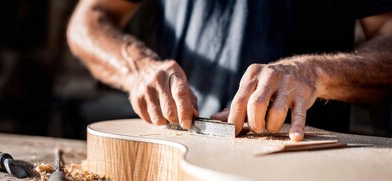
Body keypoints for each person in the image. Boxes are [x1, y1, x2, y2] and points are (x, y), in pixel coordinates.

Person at [67, 0, 392, 141]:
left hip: (305, 167)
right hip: (181, 148)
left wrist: (314, 73)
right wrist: (138, 67)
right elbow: (88, 20)